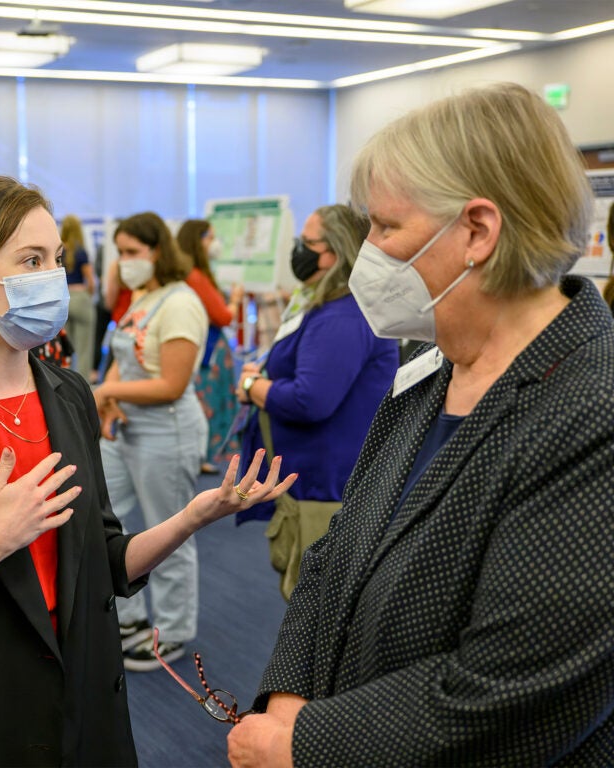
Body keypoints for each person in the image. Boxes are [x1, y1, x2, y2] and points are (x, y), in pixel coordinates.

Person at [0, 176, 295, 766]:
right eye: (30, 260)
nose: (52, 278)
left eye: (56, 259)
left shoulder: (68, 393)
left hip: (80, 696)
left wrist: (191, 517)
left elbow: (104, 559)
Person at [227, 83, 614, 767]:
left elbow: (512, 689)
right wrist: (287, 700)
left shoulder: (592, 410)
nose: (368, 252)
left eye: (384, 227)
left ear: (476, 232)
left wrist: (304, 746)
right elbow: (334, 556)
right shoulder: (432, 375)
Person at [233, 204, 398, 600]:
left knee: (319, 603)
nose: (299, 251)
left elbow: (311, 400)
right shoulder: (327, 304)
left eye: (308, 243)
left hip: (327, 488)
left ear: (337, 251)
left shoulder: (342, 315)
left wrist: (255, 386)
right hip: (315, 480)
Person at [93, 212, 210, 671]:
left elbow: (173, 384)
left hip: (167, 430)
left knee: (170, 530)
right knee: (106, 517)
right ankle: (130, 615)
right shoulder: (144, 297)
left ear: (157, 251)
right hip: (128, 429)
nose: (124, 262)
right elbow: (123, 354)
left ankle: (174, 632)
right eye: (119, 253)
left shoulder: (181, 303)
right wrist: (110, 399)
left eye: (132, 253)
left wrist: (106, 392)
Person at [177, 218, 246, 474]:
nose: (214, 244)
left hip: (200, 346)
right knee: (209, 403)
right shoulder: (196, 276)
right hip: (209, 350)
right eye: (209, 237)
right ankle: (203, 455)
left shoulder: (185, 274)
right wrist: (236, 300)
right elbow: (224, 317)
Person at [60, 214, 97, 380]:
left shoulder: (59, 251)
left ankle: (63, 382)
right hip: (80, 296)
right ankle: (84, 386)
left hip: (63, 298)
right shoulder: (81, 251)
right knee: (84, 348)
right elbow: (91, 281)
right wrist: (89, 295)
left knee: (64, 347)